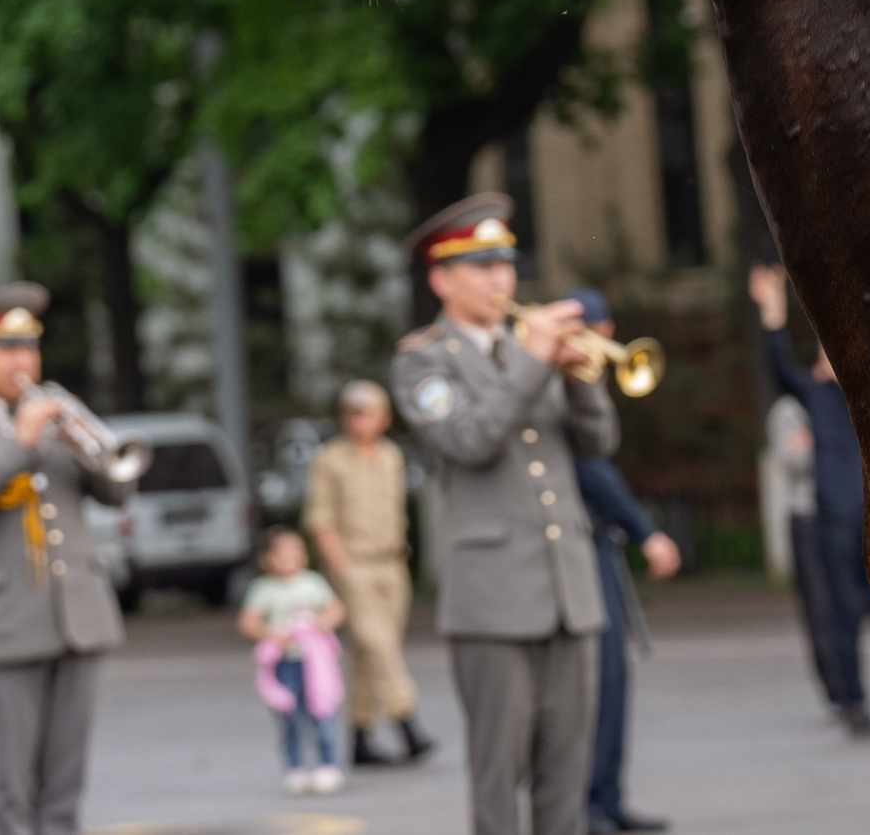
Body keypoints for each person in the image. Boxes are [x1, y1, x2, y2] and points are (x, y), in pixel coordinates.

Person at [391, 195, 615, 835]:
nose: (500, 280)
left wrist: (578, 379)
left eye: (505, 265)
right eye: (481, 267)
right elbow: (470, 439)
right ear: (442, 279)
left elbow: (599, 446)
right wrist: (534, 360)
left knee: (564, 783)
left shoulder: (531, 352)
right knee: (499, 782)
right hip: (492, 602)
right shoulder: (422, 359)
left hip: (566, 589)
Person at [0, 283, 124, 835]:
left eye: (28, 346)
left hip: (78, 614)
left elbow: (116, 492)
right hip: (6, 619)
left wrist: (84, 443)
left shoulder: (54, 404)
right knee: (10, 789)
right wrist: (20, 441)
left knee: (64, 786)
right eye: (5, 346)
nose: (22, 360)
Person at [746, 265, 870, 735]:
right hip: (833, 521)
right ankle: (855, 704)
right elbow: (776, 362)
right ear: (818, 359)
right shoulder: (812, 391)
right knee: (844, 615)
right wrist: (772, 310)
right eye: (830, 347)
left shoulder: (863, 394)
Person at [561, 289, 678, 835]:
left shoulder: (587, 380)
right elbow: (590, 468)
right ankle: (586, 804)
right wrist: (646, 530)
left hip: (596, 542)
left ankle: (607, 799)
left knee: (613, 679)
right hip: (572, 544)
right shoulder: (562, 381)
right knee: (594, 680)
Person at [303, 378, 434, 767]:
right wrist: (339, 567)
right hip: (354, 564)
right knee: (379, 645)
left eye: (367, 413)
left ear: (384, 417)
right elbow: (320, 518)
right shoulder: (330, 459)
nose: (358, 422)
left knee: (369, 653)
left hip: (391, 563)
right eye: (352, 414)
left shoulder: (392, 455)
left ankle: (359, 734)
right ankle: (407, 722)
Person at [238, 525, 346, 796]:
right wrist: (273, 634)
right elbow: (248, 622)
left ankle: (327, 764)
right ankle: (296, 767)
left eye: (294, 551)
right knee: (289, 717)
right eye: (280, 553)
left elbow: (336, 609)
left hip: (315, 664)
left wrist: (320, 623)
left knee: (322, 713)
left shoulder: (312, 582)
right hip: (285, 663)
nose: (288, 558)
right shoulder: (263, 589)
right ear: (266, 559)